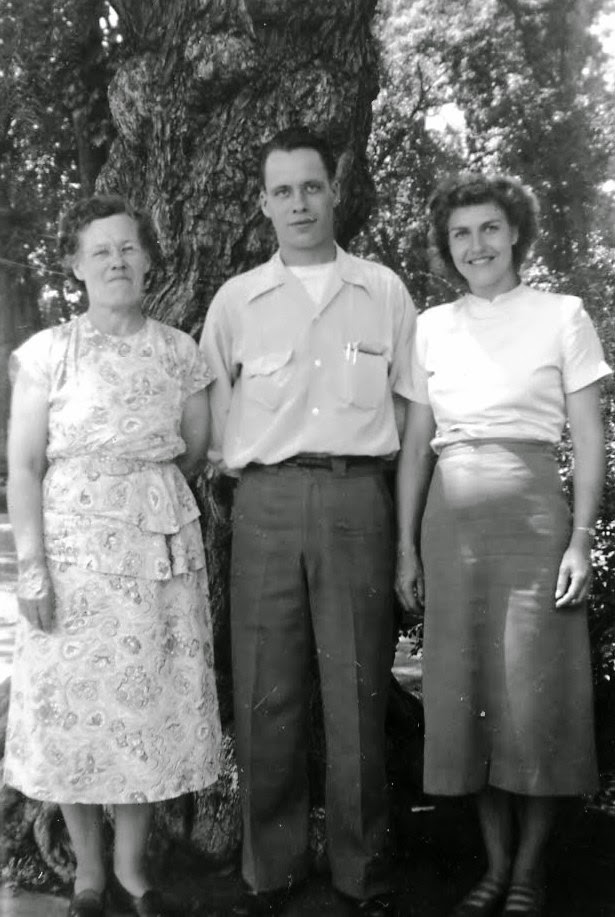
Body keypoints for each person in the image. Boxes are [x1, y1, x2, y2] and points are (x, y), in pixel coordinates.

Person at [200, 126, 417, 917]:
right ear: (264, 204)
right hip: (264, 501)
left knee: (357, 690)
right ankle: (271, 870)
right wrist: (236, 474)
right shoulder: (236, 301)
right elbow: (212, 409)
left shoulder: (382, 291)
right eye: (282, 190)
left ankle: (363, 872)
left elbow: (411, 409)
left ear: (334, 191)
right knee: (267, 690)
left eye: (311, 187)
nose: (298, 203)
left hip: (358, 496)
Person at [396, 173, 611, 917]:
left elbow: (589, 438)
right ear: (446, 245)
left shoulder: (562, 315)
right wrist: (404, 547)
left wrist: (580, 539)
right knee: (470, 698)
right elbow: (415, 445)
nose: (476, 245)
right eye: (460, 233)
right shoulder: (430, 326)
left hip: (533, 522)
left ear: (515, 231)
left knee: (534, 696)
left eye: (489, 228)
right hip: (450, 524)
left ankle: (528, 870)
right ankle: (491, 866)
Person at [4, 195, 222, 917]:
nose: (116, 261)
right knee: (72, 709)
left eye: (128, 248)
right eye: (100, 251)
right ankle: (88, 875)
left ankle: (131, 869)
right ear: (76, 266)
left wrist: (135, 495)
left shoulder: (180, 351)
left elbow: (192, 449)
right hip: (70, 560)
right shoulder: (46, 353)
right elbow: (24, 465)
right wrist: (33, 567)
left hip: (156, 555)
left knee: (143, 705)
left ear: (149, 259)